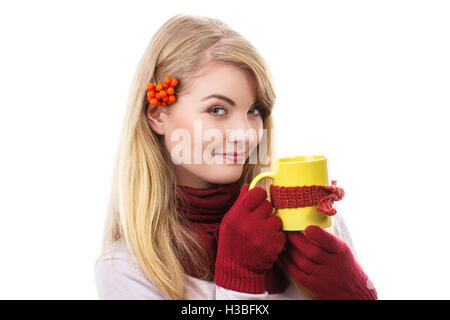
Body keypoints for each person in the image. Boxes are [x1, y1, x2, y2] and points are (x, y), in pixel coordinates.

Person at [94, 13, 377, 300]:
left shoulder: (314, 218)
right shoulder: (126, 269)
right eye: (217, 110)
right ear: (158, 115)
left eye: (254, 111)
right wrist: (240, 280)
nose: (245, 134)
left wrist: (357, 292)